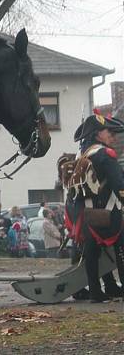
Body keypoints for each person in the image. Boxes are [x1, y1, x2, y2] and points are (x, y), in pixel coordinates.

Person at [65, 113, 124, 302]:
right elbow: (119, 186)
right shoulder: (105, 154)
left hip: (83, 214)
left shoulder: (84, 153)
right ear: (99, 134)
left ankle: (97, 292)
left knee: (92, 251)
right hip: (105, 214)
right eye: (110, 133)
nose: (114, 138)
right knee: (121, 245)